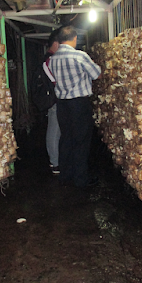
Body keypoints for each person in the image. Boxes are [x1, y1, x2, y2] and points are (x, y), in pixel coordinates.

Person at [48, 25, 101, 188]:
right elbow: (96, 73)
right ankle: (81, 179)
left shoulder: (54, 59)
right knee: (81, 141)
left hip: (62, 104)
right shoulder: (79, 56)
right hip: (78, 103)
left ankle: (65, 175)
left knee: (66, 139)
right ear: (74, 38)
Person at [43, 29, 61, 174]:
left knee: (56, 131)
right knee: (54, 131)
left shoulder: (49, 59)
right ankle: (55, 162)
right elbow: (54, 81)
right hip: (54, 100)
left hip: (53, 99)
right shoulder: (49, 60)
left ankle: (56, 160)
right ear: (55, 43)